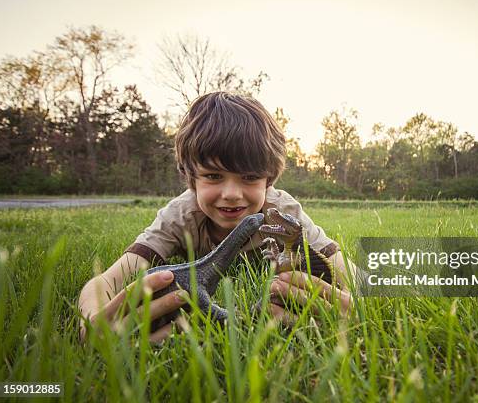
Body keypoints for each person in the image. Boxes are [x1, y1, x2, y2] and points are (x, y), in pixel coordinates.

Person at [78, 91, 354, 344]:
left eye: (249, 177)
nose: (232, 194)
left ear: (268, 180)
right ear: (192, 177)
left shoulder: (282, 213)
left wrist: (353, 308)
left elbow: (352, 274)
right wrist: (92, 322)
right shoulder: (181, 214)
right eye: (213, 176)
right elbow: (105, 281)